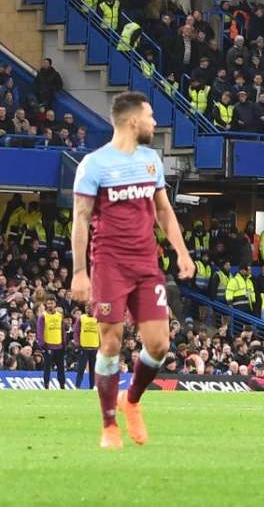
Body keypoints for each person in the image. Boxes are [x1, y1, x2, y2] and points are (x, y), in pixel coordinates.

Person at [70, 92, 194, 450]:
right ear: (132, 120)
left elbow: (164, 211)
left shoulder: (151, 160)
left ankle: (132, 401)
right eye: (151, 116)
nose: (155, 123)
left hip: (146, 264)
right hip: (109, 265)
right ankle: (108, 424)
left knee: (159, 344)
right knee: (110, 343)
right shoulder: (95, 165)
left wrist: (182, 253)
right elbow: (80, 219)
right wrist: (80, 272)